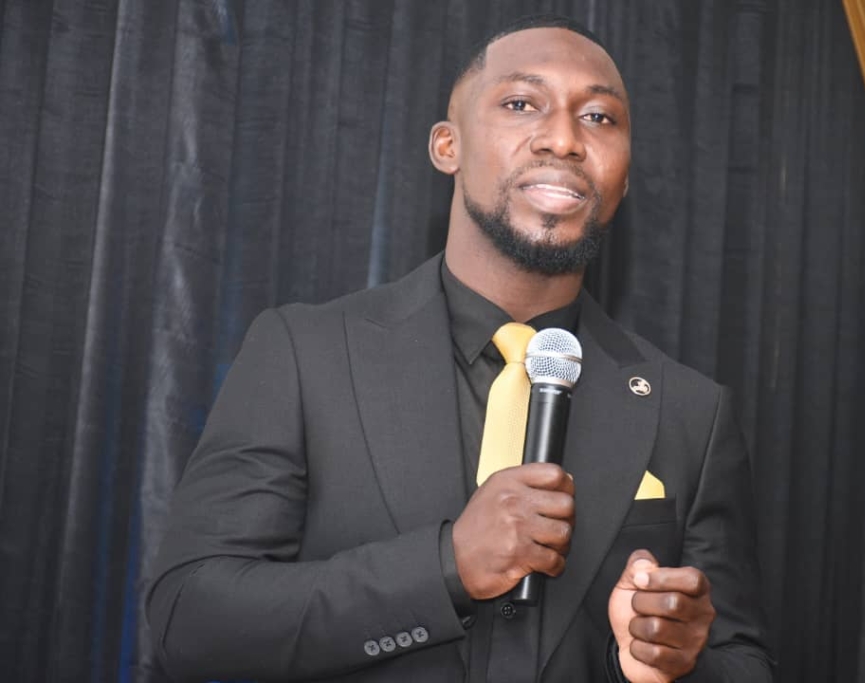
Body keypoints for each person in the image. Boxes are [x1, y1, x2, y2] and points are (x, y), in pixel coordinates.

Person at [146, 14, 772, 683]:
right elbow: (191, 618)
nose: (564, 139)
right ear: (448, 145)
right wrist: (446, 566)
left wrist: (669, 665)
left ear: (623, 176)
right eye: (522, 104)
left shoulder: (689, 412)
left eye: (598, 117)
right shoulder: (306, 355)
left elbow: (741, 662)